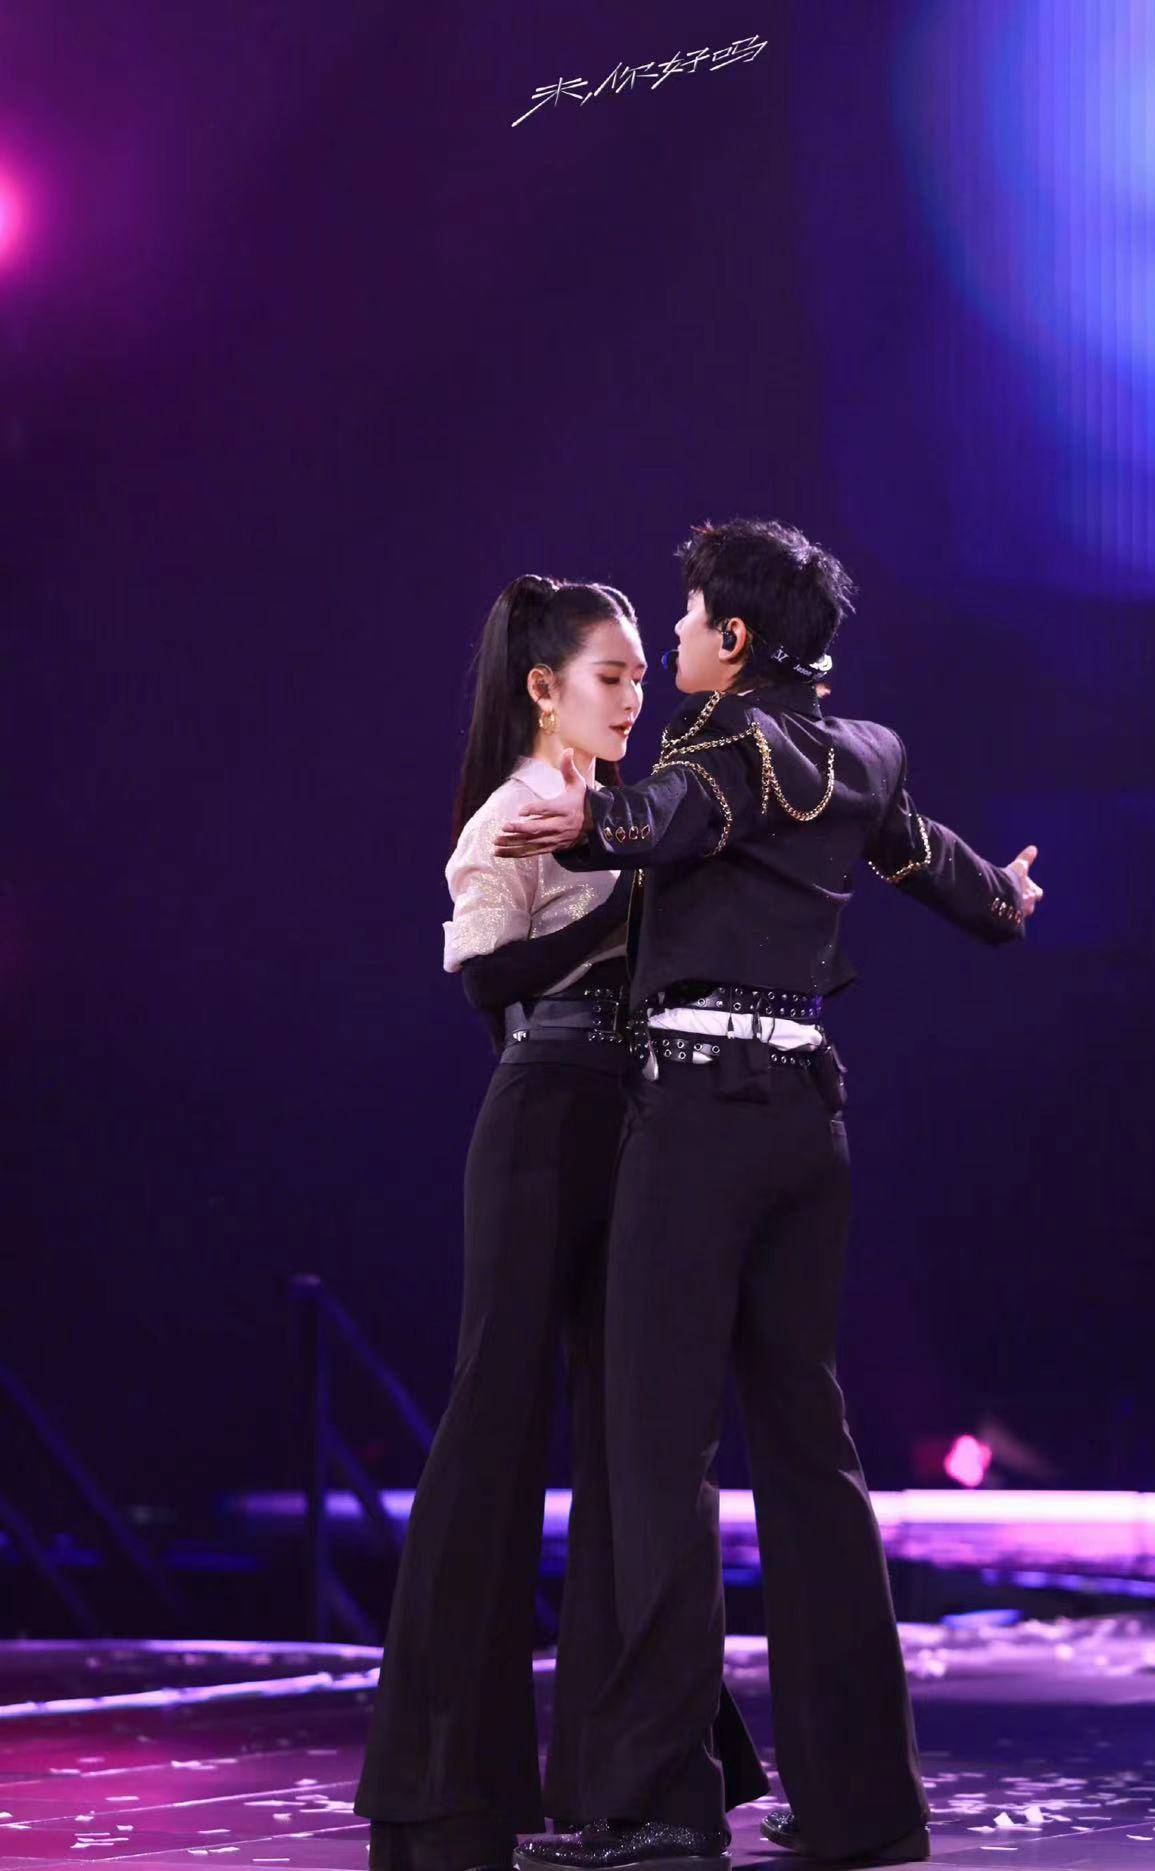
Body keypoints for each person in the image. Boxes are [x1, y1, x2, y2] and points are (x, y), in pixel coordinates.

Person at [496, 521, 1043, 1871]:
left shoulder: (726, 744)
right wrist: (1005, 897)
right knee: (811, 1453)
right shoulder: (862, 754)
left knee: (656, 1456)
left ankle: (658, 1808)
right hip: (808, 1120)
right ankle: (866, 1804)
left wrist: (595, 817)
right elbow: (936, 865)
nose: (672, 644)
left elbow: (677, 815)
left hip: (700, 1123)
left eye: (686, 623)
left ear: (735, 640)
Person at [355, 573, 766, 1871]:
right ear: (545, 688)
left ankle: (630, 1782)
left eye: (643, 672)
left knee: (636, 1443)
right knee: (496, 1429)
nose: (636, 695)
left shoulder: (619, 809)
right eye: (612, 675)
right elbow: (487, 981)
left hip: (634, 1121)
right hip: (544, 1126)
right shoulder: (521, 808)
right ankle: (443, 1789)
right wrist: (626, 916)